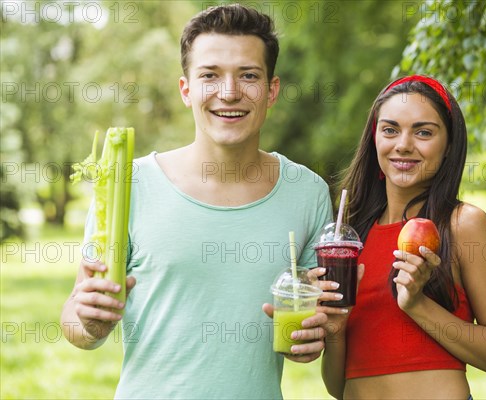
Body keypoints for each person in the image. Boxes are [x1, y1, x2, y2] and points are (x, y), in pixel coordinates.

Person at [60, 4, 334, 399]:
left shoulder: (306, 191)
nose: (229, 92)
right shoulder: (128, 184)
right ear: (186, 90)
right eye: (210, 75)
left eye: (249, 76)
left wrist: (310, 339)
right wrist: (89, 323)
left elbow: (310, 324)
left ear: (271, 90)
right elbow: (75, 319)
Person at [321, 75, 486, 399]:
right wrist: (335, 331)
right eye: (390, 130)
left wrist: (417, 304)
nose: (403, 144)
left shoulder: (462, 225)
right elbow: (336, 385)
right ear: (374, 140)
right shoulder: (352, 236)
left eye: (423, 132)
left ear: (449, 145)